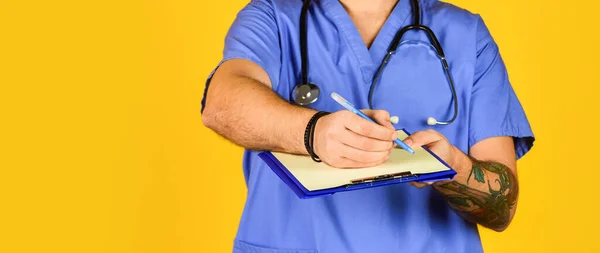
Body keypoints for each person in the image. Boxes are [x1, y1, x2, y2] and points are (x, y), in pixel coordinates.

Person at [201, 0, 535, 252]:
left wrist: (452, 168)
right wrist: (313, 133)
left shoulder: (466, 36)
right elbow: (221, 104)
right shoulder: (274, 16)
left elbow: (502, 207)